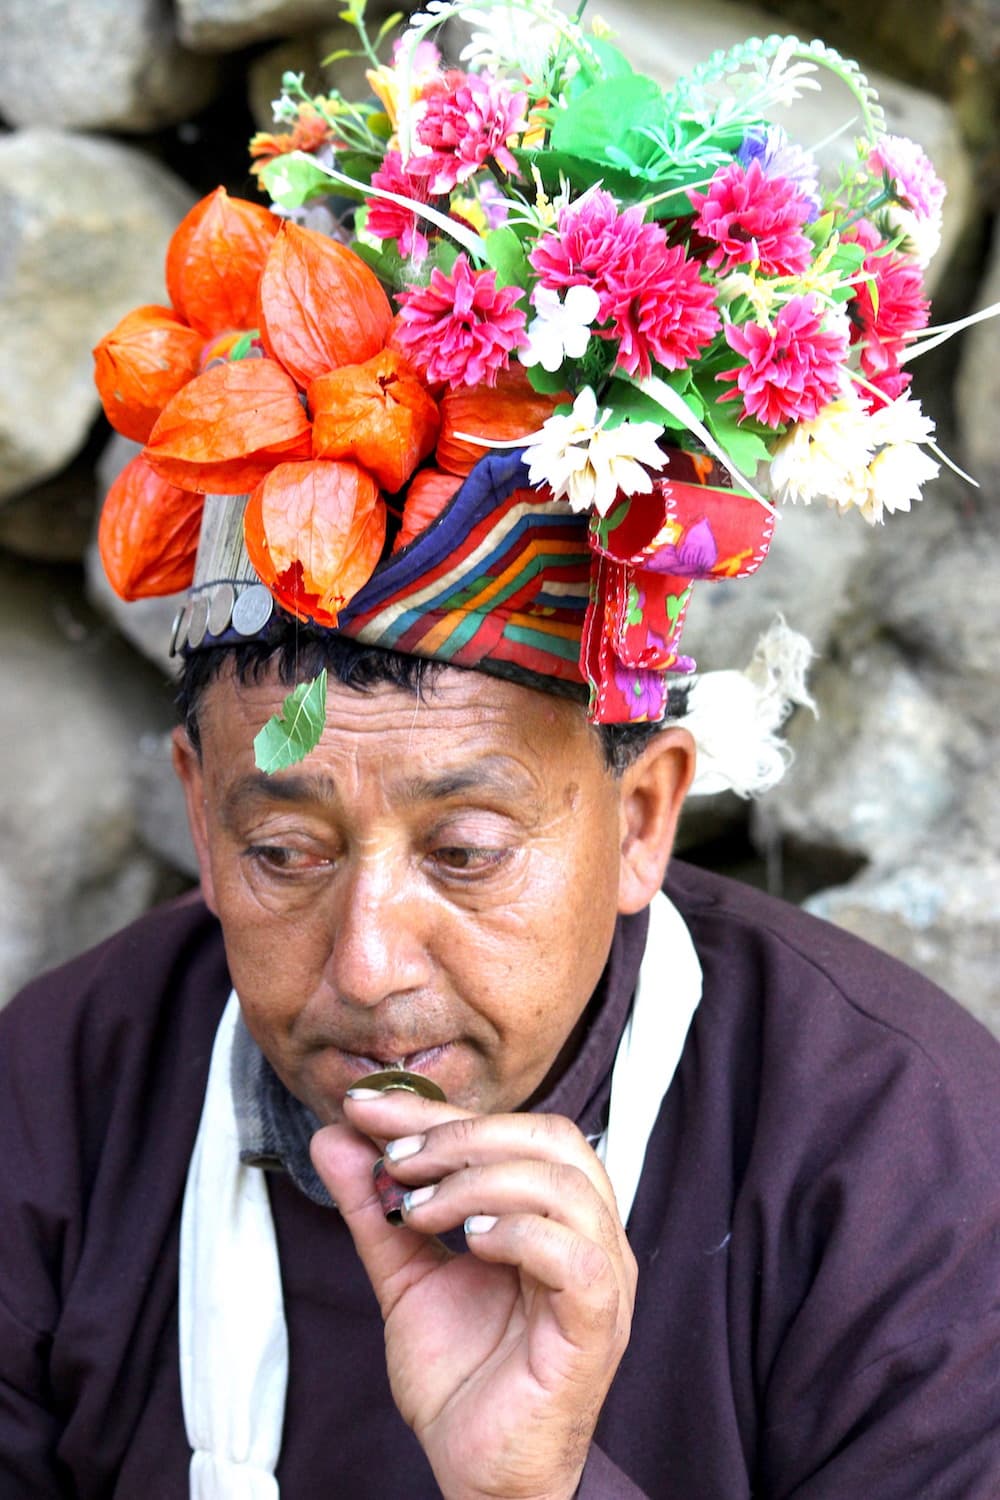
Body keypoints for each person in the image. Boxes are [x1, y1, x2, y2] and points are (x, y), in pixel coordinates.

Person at [4, 4, 1000, 1495]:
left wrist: (534, 1483)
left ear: (645, 818)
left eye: (465, 851)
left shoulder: (904, 1163)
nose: (368, 966)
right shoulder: (55, 1109)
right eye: (283, 851)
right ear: (197, 819)